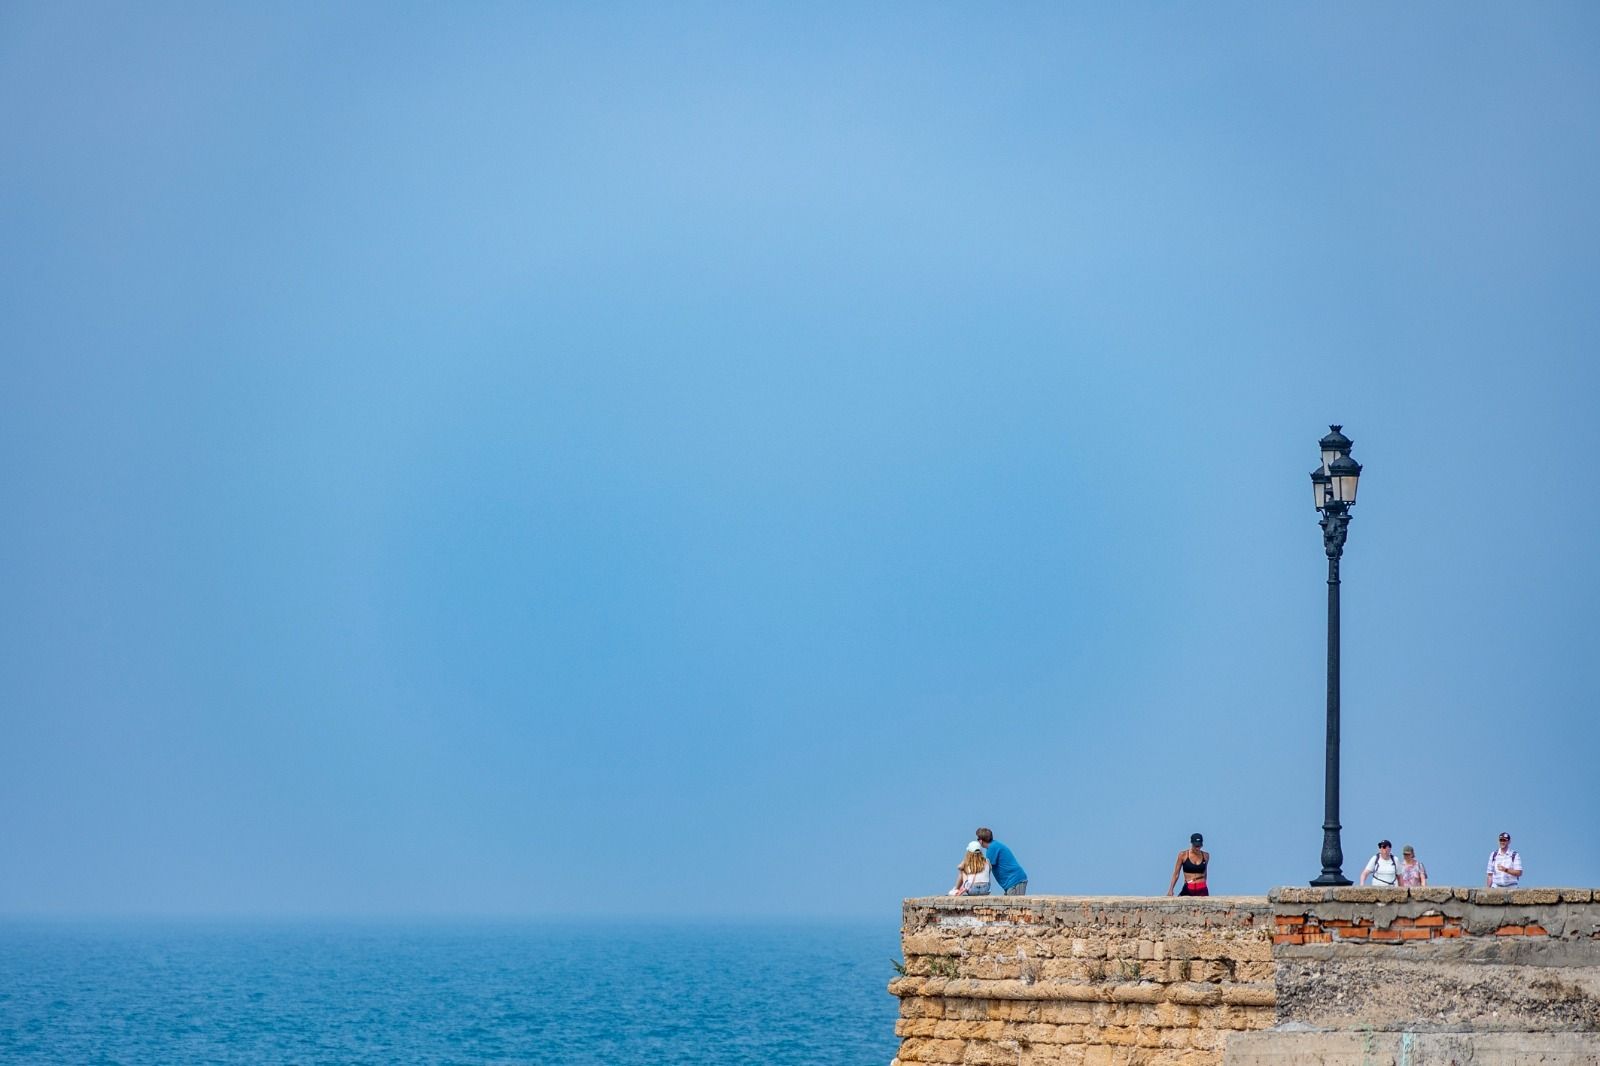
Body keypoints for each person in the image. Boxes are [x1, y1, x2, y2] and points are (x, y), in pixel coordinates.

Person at [975, 827, 1028, 895]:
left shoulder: (992, 848)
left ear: (981, 841)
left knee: (1015, 905)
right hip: (1012, 882)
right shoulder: (994, 845)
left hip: (1014, 881)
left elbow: (986, 869)